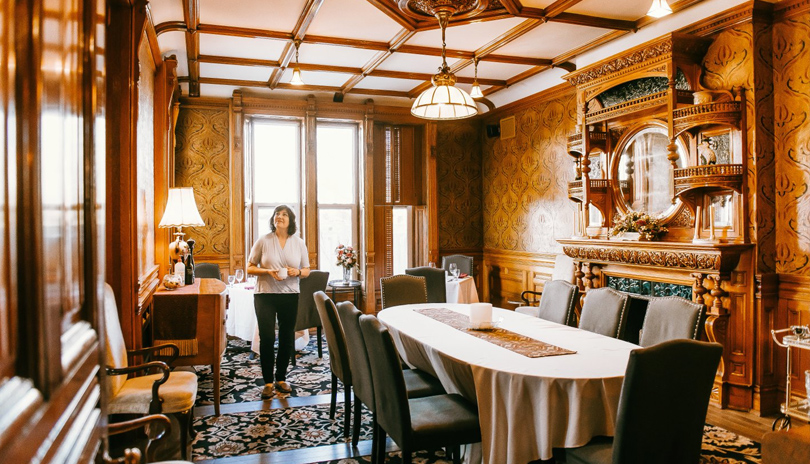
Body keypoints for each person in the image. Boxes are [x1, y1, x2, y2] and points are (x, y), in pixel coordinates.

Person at [247, 205, 310, 398]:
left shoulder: (298, 242)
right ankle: (267, 382)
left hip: (290, 294)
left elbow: (307, 269)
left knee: (286, 337)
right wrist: (267, 272)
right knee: (267, 337)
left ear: (291, 220)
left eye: (284, 214)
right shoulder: (263, 241)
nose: (279, 217)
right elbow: (249, 267)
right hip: (265, 294)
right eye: (277, 214)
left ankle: (281, 378)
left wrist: (297, 272)